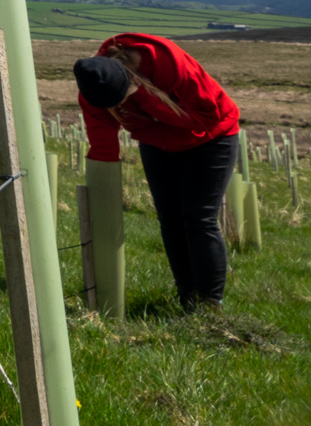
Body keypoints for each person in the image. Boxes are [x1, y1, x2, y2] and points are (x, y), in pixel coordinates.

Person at [75, 34, 241, 310]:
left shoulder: (171, 65)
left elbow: (202, 119)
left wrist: (142, 95)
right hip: (157, 141)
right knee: (170, 220)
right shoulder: (95, 86)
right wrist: (103, 194)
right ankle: (187, 297)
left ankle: (211, 304)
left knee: (199, 218)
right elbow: (103, 144)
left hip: (211, 136)